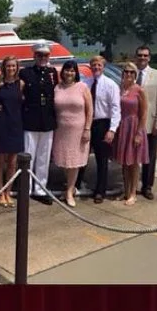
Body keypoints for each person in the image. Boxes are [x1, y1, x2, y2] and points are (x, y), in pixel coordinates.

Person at [50, 60, 93, 207]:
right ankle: (70, 186)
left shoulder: (83, 87)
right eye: (67, 70)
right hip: (61, 130)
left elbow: (90, 110)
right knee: (64, 161)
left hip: (78, 130)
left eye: (72, 70)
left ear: (76, 73)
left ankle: (69, 191)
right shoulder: (57, 88)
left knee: (74, 162)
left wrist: (87, 128)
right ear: (62, 72)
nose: (69, 73)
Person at [20, 41, 58, 203]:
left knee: (43, 157)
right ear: (34, 55)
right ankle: (26, 189)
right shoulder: (26, 73)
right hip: (30, 120)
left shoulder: (52, 72)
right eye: (39, 55)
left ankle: (40, 189)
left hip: (47, 121)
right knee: (29, 156)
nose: (42, 57)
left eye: (46, 55)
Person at [80, 55, 120, 204]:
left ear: (103, 67)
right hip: (86, 124)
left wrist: (112, 130)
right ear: (90, 67)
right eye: (94, 65)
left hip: (102, 124)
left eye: (99, 65)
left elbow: (116, 109)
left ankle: (100, 191)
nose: (96, 67)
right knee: (82, 156)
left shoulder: (111, 85)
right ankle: (77, 184)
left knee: (101, 160)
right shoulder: (85, 83)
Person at [0, 55, 24, 209]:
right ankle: (0, 192)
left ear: (17, 68)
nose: (11, 68)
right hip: (1, 125)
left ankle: (8, 192)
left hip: (16, 125)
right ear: (3, 67)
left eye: (13, 66)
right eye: (8, 66)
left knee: (12, 163)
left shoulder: (21, 84)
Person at [113, 62, 149, 206]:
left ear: (135, 75)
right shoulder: (120, 89)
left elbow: (144, 113)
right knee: (124, 162)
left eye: (131, 72)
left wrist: (139, 133)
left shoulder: (139, 90)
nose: (128, 74)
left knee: (134, 163)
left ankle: (133, 193)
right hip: (122, 127)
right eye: (126, 71)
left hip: (134, 127)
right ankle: (126, 190)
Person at [135, 45, 157, 199]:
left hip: (150, 124)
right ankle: (130, 185)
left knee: (149, 157)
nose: (142, 58)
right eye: (140, 55)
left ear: (149, 58)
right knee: (131, 156)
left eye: (145, 55)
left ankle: (147, 186)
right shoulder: (129, 74)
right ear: (136, 57)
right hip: (132, 124)